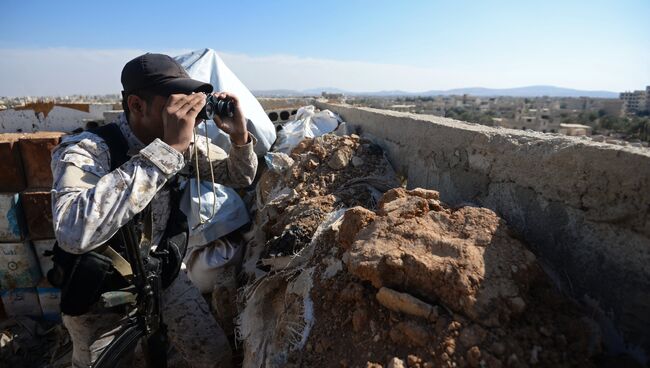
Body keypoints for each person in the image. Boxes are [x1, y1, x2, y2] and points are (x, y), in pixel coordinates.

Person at [50, 53, 258, 367]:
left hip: (162, 272)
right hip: (102, 293)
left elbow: (240, 176)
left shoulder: (181, 143)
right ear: (136, 105)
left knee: (214, 355)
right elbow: (72, 231)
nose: (188, 115)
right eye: (176, 105)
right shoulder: (89, 150)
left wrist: (239, 137)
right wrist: (165, 153)